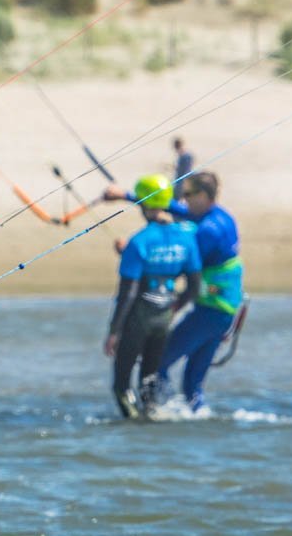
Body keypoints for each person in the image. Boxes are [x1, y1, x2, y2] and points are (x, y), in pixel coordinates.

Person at [104, 175, 201, 419]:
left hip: (138, 318)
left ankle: (135, 424)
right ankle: (151, 418)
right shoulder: (186, 238)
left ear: (143, 204)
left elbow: (128, 293)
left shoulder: (138, 243)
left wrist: (114, 331)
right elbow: (193, 287)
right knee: (149, 379)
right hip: (164, 317)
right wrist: (173, 309)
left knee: (121, 384)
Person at [153, 170, 243, 414]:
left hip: (210, 312)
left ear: (203, 195)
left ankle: (162, 411)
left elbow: (187, 270)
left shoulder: (208, 231)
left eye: (188, 194)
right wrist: (129, 196)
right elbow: (183, 212)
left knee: (158, 363)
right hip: (224, 311)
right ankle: (195, 414)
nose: (183, 199)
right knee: (192, 384)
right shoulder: (222, 216)